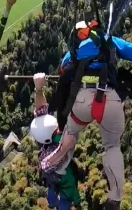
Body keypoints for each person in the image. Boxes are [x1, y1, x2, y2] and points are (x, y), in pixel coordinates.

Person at [36, 20, 132, 210]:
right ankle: (114, 199)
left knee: (70, 132)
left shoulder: (71, 53)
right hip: (109, 101)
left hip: (81, 101)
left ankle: (52, 166)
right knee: (112, 146)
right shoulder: (109, 41)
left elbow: (63, 75)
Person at [30, 73, 82, 210]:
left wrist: (39, 89)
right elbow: (47, 163)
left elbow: (41, 111)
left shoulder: (46, 133)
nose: (58, 130)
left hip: (60, 182)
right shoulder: (52, 145)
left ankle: (59, 203)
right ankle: (57, 203)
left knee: (58, 199)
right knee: (58, 198)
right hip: (61, 183)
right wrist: (64, 148)